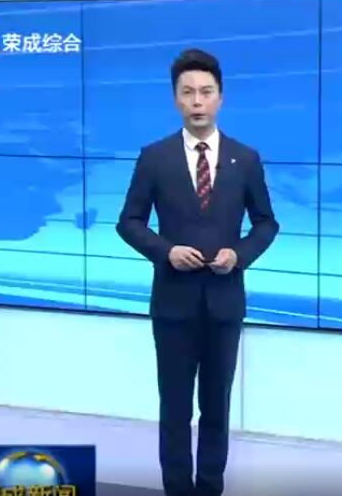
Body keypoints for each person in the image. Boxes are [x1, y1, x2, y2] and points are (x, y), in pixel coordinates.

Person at [116, 48, 279, 496]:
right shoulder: (155, 157)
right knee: (174, 410)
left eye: (205, 92)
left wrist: (239, 255)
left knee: (216, 408)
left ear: (220, 97)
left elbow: (266, 223)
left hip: (224, 304)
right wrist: (166, 251)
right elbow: (129, 222)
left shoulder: (245, 159)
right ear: (175, 99)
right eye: (187, 93)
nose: (197, 101)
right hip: (173, 304)